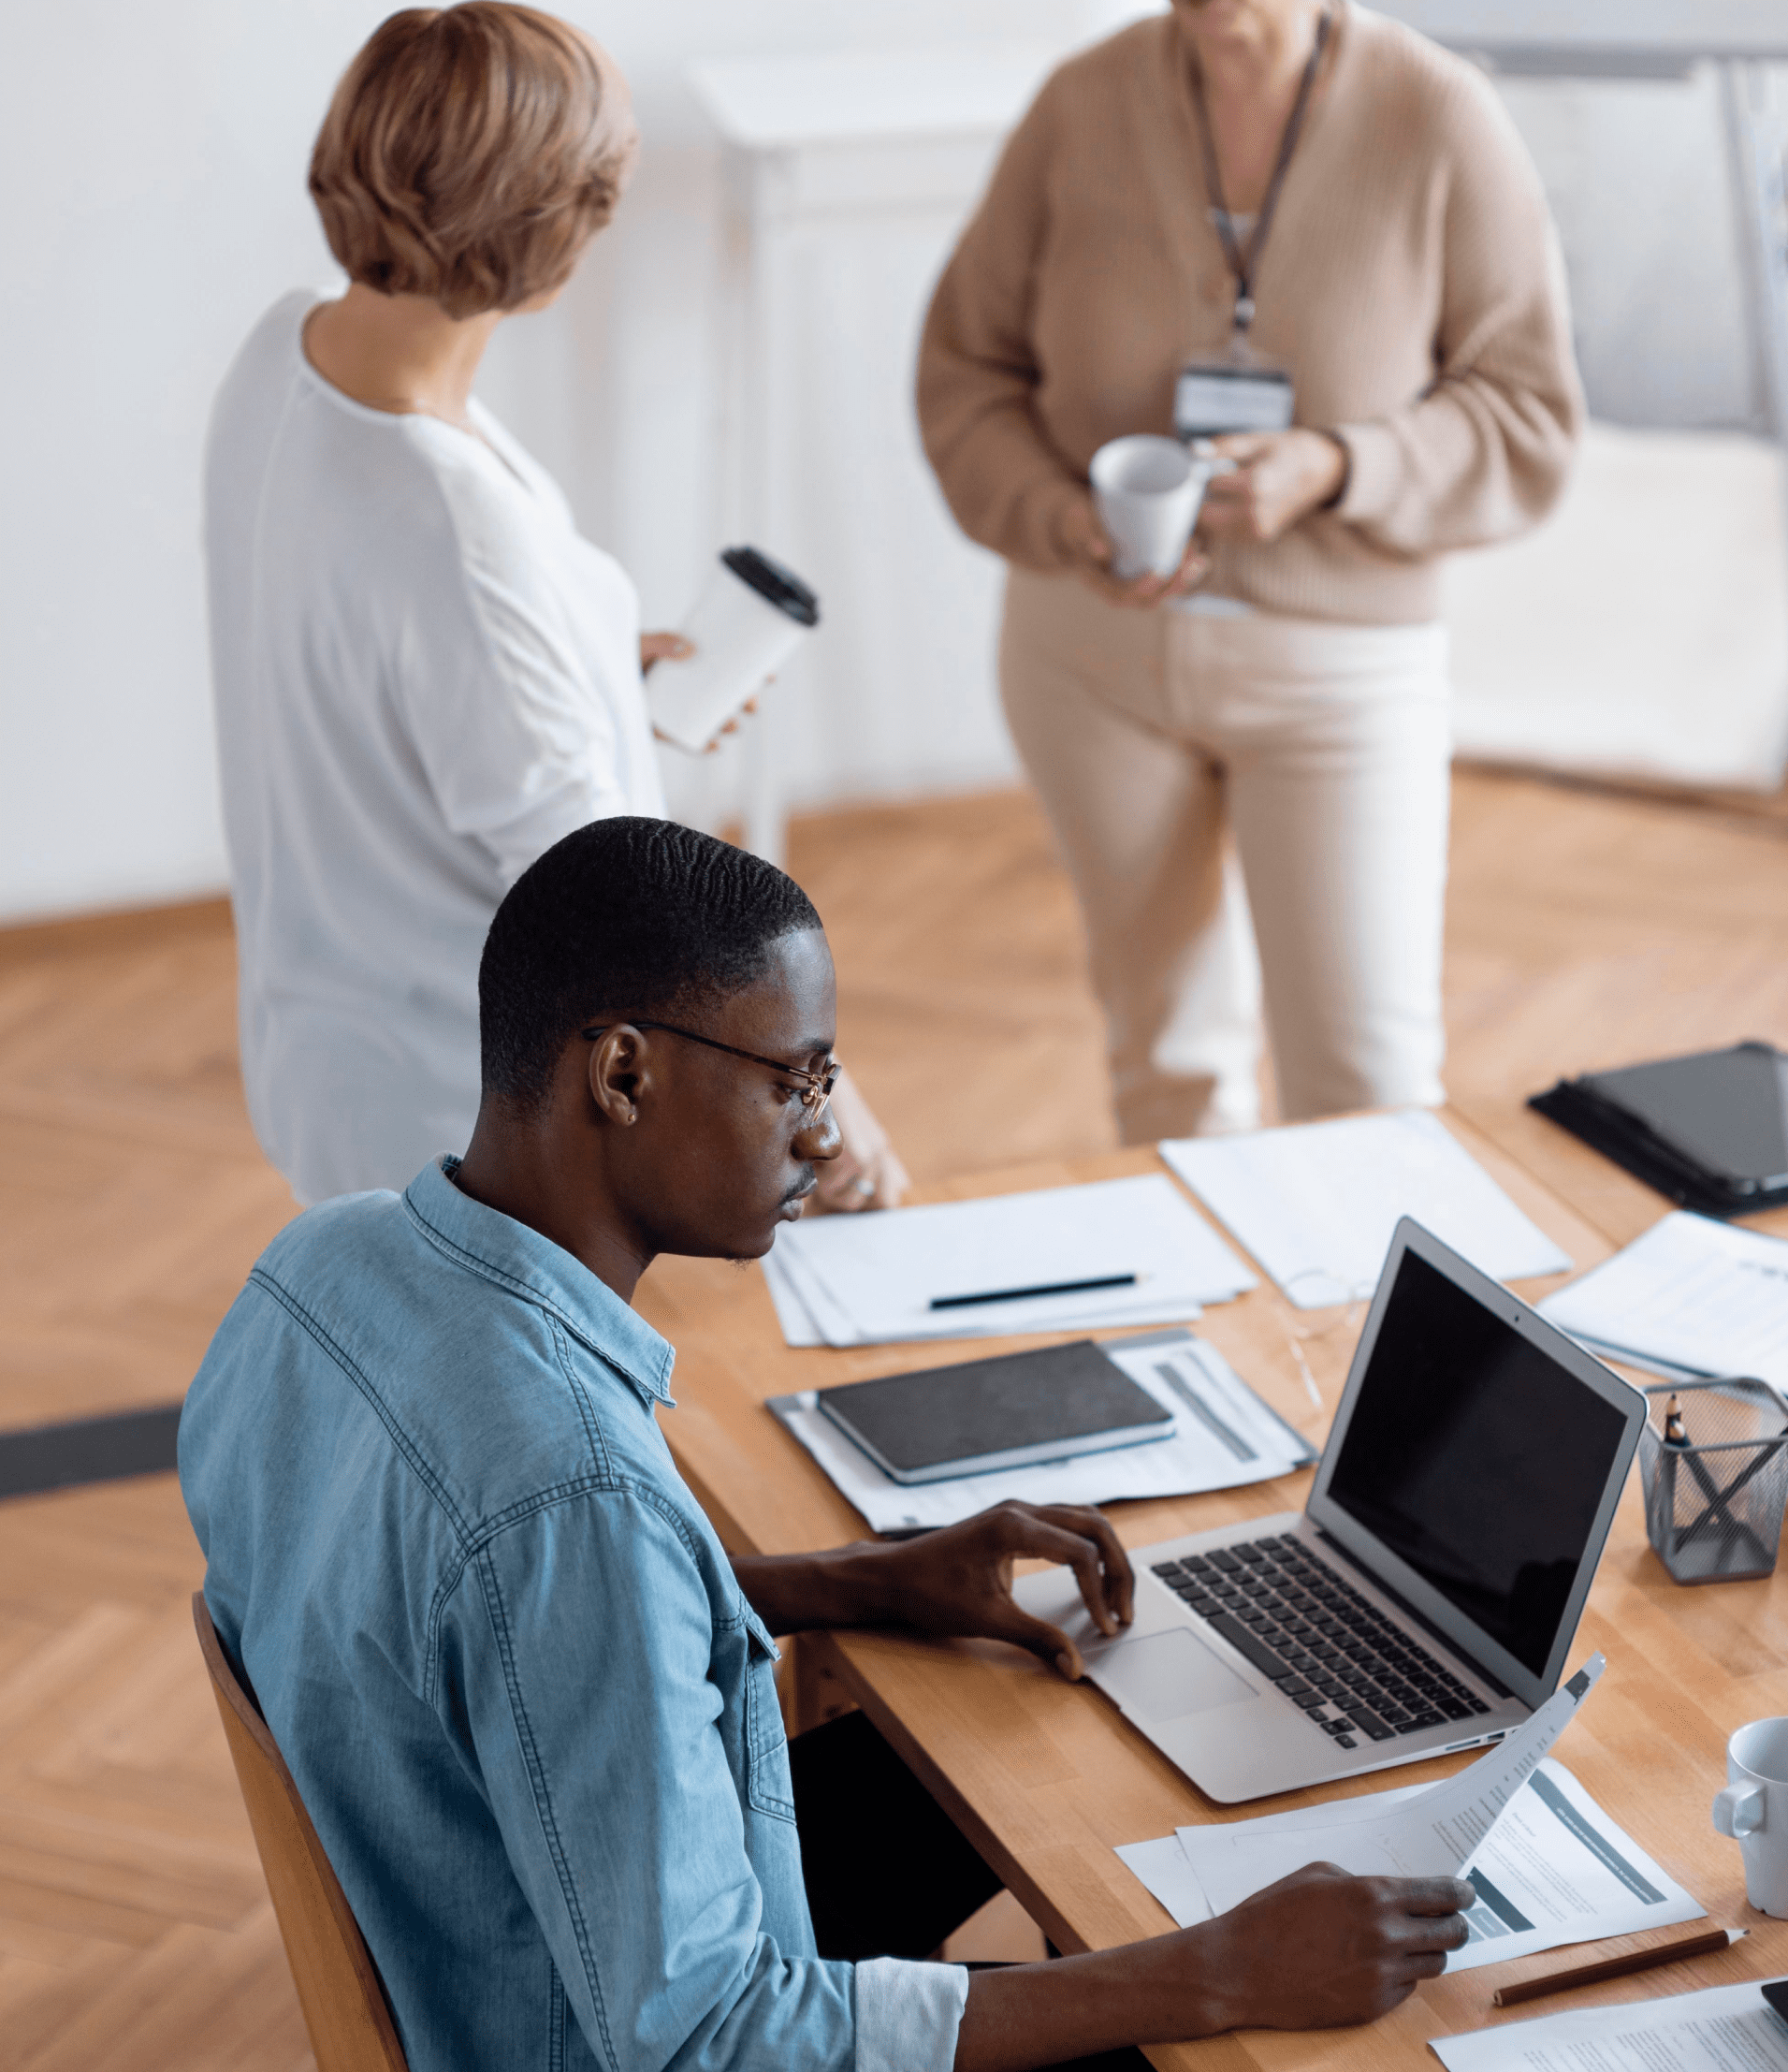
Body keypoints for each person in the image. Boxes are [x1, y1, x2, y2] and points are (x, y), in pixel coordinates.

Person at [180, 816, 1472, 2072]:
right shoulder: (576, 1497)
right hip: (609, 2026)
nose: (823, 1135)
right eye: (791, 1081)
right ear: (622, 1075)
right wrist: (1215, 1973)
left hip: (487, 1921)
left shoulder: (320, 1264)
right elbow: (713, 2040)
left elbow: (491, 1624)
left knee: (988, 1767)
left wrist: (859, 1580)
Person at [205, 2, 906, 1212]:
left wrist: (578, 671)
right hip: (464, 1110)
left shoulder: (287, 353)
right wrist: (818, 1099)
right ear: (547, 227)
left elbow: (371, 639)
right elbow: (611, 897)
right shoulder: (457, 532)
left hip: (320, 1040)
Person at [917, 0, 1583, 1143]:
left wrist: (1342, 465)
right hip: (1089, 666)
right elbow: (965, 372)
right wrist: (1059, 517)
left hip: (1341, 678)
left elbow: (1529, 414)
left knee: (1368, 1089)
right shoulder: (1082, 103)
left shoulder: (1438, 116)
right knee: (1166, 1070)